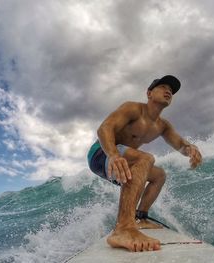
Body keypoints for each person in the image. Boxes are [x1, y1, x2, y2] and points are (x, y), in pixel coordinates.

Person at [87, 75, 202, 252]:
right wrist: (113, 155)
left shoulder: (162, 125)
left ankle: (140, 217)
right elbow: (105, 128)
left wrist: (190, 149)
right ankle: (123, 228)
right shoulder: (132, 108)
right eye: (163, 87)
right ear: (149, 93)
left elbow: (179, 144)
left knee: (159, 175)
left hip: (123, 158)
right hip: (101, 153)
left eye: (171, 90)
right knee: (145, 158)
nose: (168, 91)